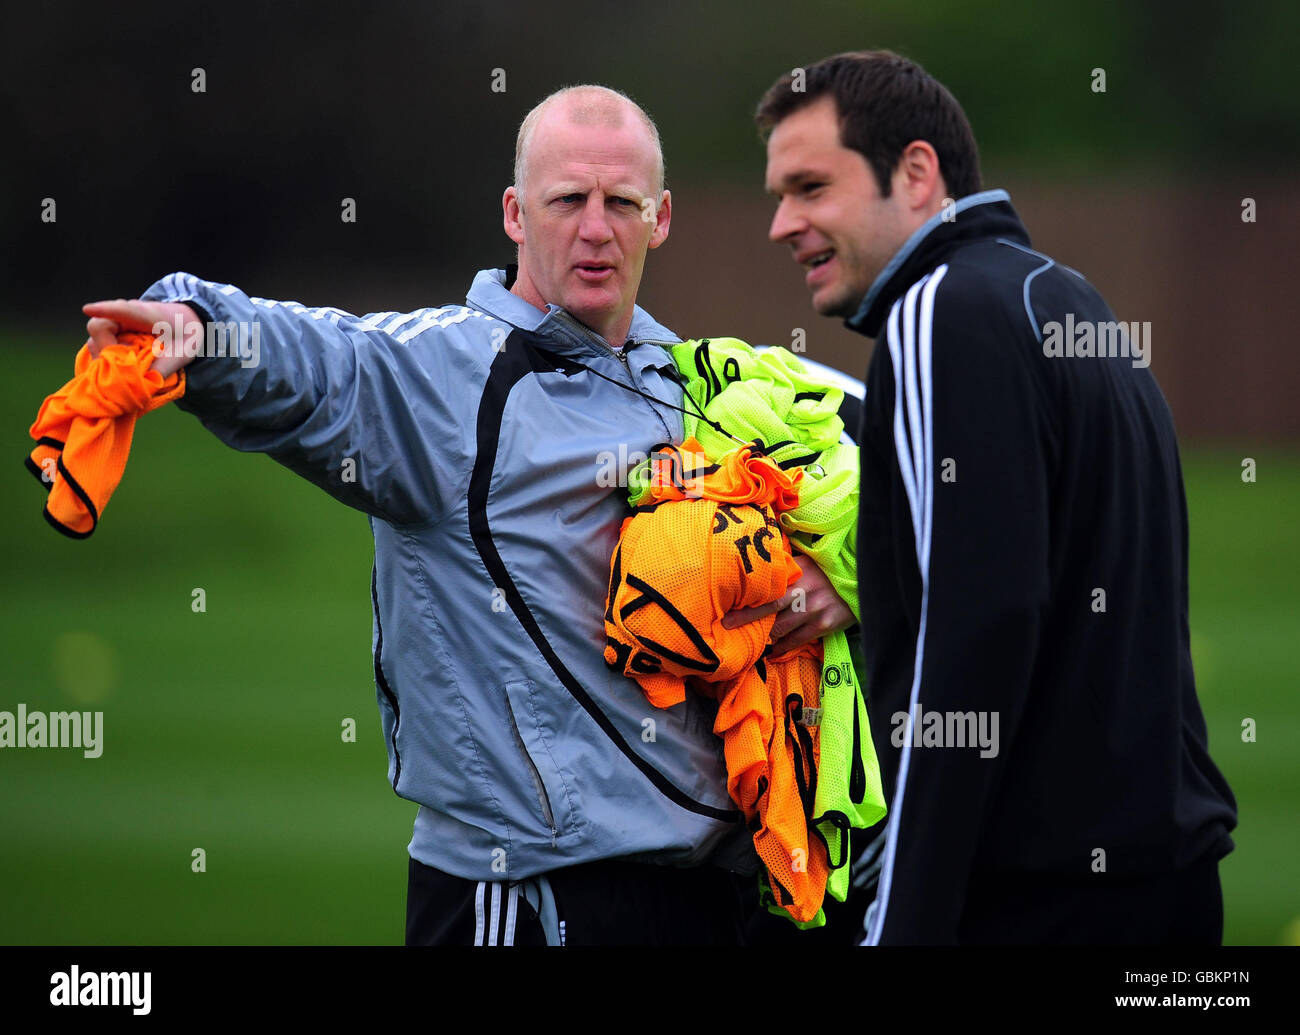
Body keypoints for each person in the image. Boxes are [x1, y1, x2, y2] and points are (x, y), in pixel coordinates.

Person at [78, 85, 856, 946]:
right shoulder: (448, 378)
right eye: (568, 200)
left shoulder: (691, 379)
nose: (595, 227)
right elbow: (331, 363)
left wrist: (847, 578)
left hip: (709, 897)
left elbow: (899, 449)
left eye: (621, 202)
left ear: (660, 217)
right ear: (516, 214)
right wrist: (201, 328)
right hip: (521, 895)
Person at [756, 50, 1238, 945]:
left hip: (1039, 905)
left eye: (811, 186)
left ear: (915, 171)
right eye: (780, 194)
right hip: (1168, 891)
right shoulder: (1067, 297)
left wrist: (900, 922)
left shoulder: (941, 310)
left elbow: (969, 632)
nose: (784, 223)